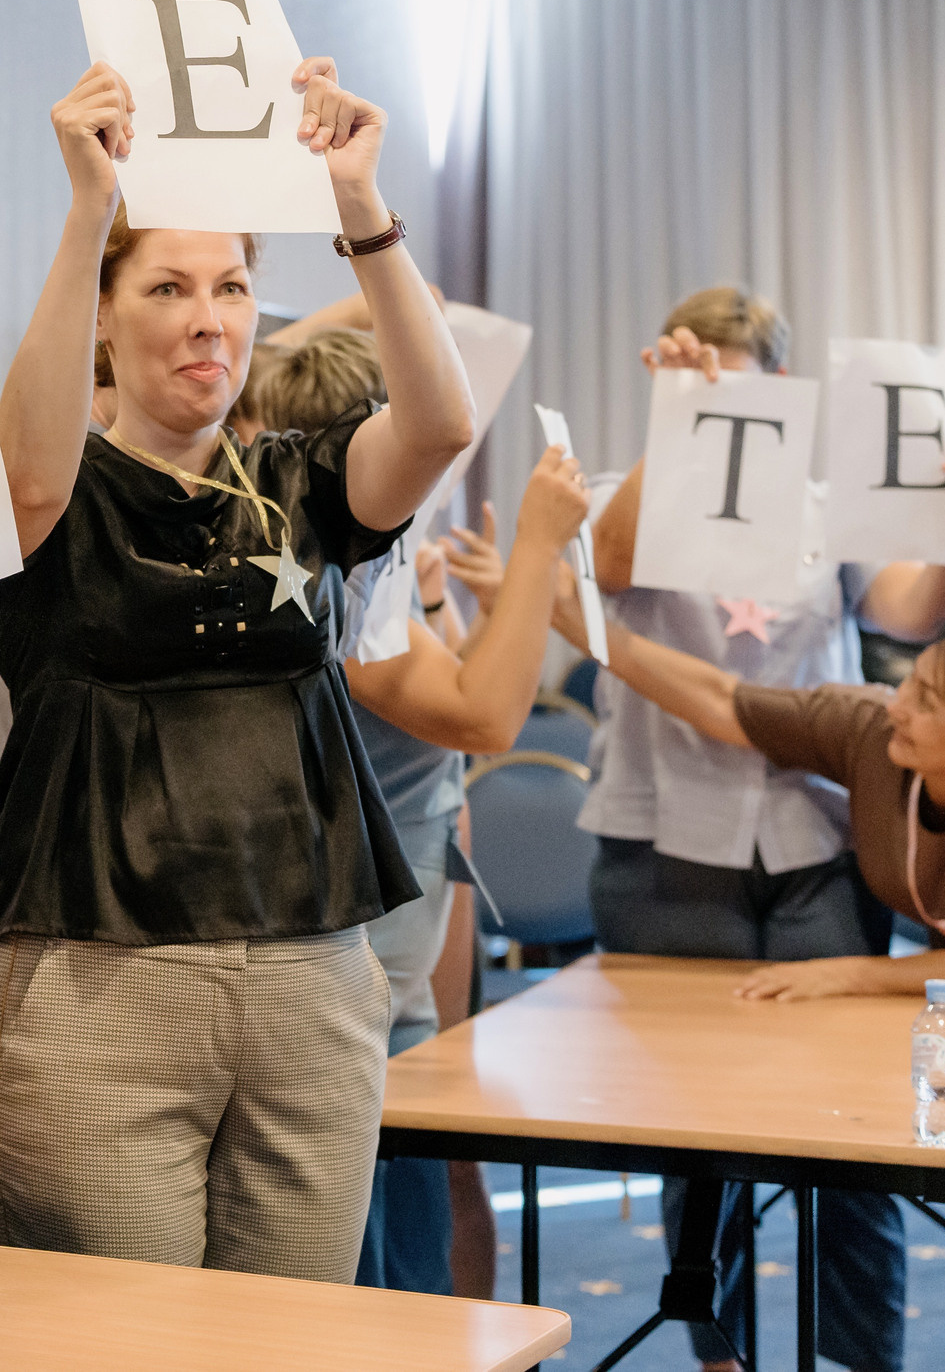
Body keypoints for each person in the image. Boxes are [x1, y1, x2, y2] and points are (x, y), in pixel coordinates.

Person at [0, 53, 475, 1282]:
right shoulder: (44, 487)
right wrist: (91, 205)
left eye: (234, 285)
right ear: (105, 312)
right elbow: (28, 481)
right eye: (167, 287)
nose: (209, 316)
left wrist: (359, 203)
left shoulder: (302, 481)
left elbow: (441, 425)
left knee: (296, 1346)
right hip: (97, 977)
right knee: (114, 1354)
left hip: (311, 971)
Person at [586, 288, 945, 1372]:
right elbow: (606, 568)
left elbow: (905, 614)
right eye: (701, 379)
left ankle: (862, 1357)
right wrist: (673, 421)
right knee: (691, 1133)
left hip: (813, 840)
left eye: (741, 385)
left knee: (851, 1124)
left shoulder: (822, 506)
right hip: (663, 841)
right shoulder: (629, 489)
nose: (720, 402)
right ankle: (718, 1354)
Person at [542, 572, 945, 1372]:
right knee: (706, 1129)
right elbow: (724, 699)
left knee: (867, 1158)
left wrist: (854, 974)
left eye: (929, 698)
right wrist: (597, 631)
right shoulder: (875, 733)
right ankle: (719, 1351)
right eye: (905, 681)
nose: (897, 702)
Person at [256, 327, 592, 1293]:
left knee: (438, 1182)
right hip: (360, 950)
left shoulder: (367, 556)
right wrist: (536, 546)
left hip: (409, 907)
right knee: (385, 1228)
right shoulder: (323, 576)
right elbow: (483, 713)